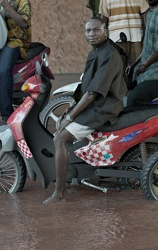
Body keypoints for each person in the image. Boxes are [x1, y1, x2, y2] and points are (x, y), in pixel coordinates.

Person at [44, 17, 127, 204]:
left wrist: (70, 116)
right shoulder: (96, 52)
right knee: (60, 127)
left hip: (103, 108)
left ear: (105, 30)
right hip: (95, 105)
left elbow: (92, 94)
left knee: (60, 138)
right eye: (88, 31)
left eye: (96, 30)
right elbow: (85, 86)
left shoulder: (109, 54)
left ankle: (59, 193)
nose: (92, 34)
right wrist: (71, 109)